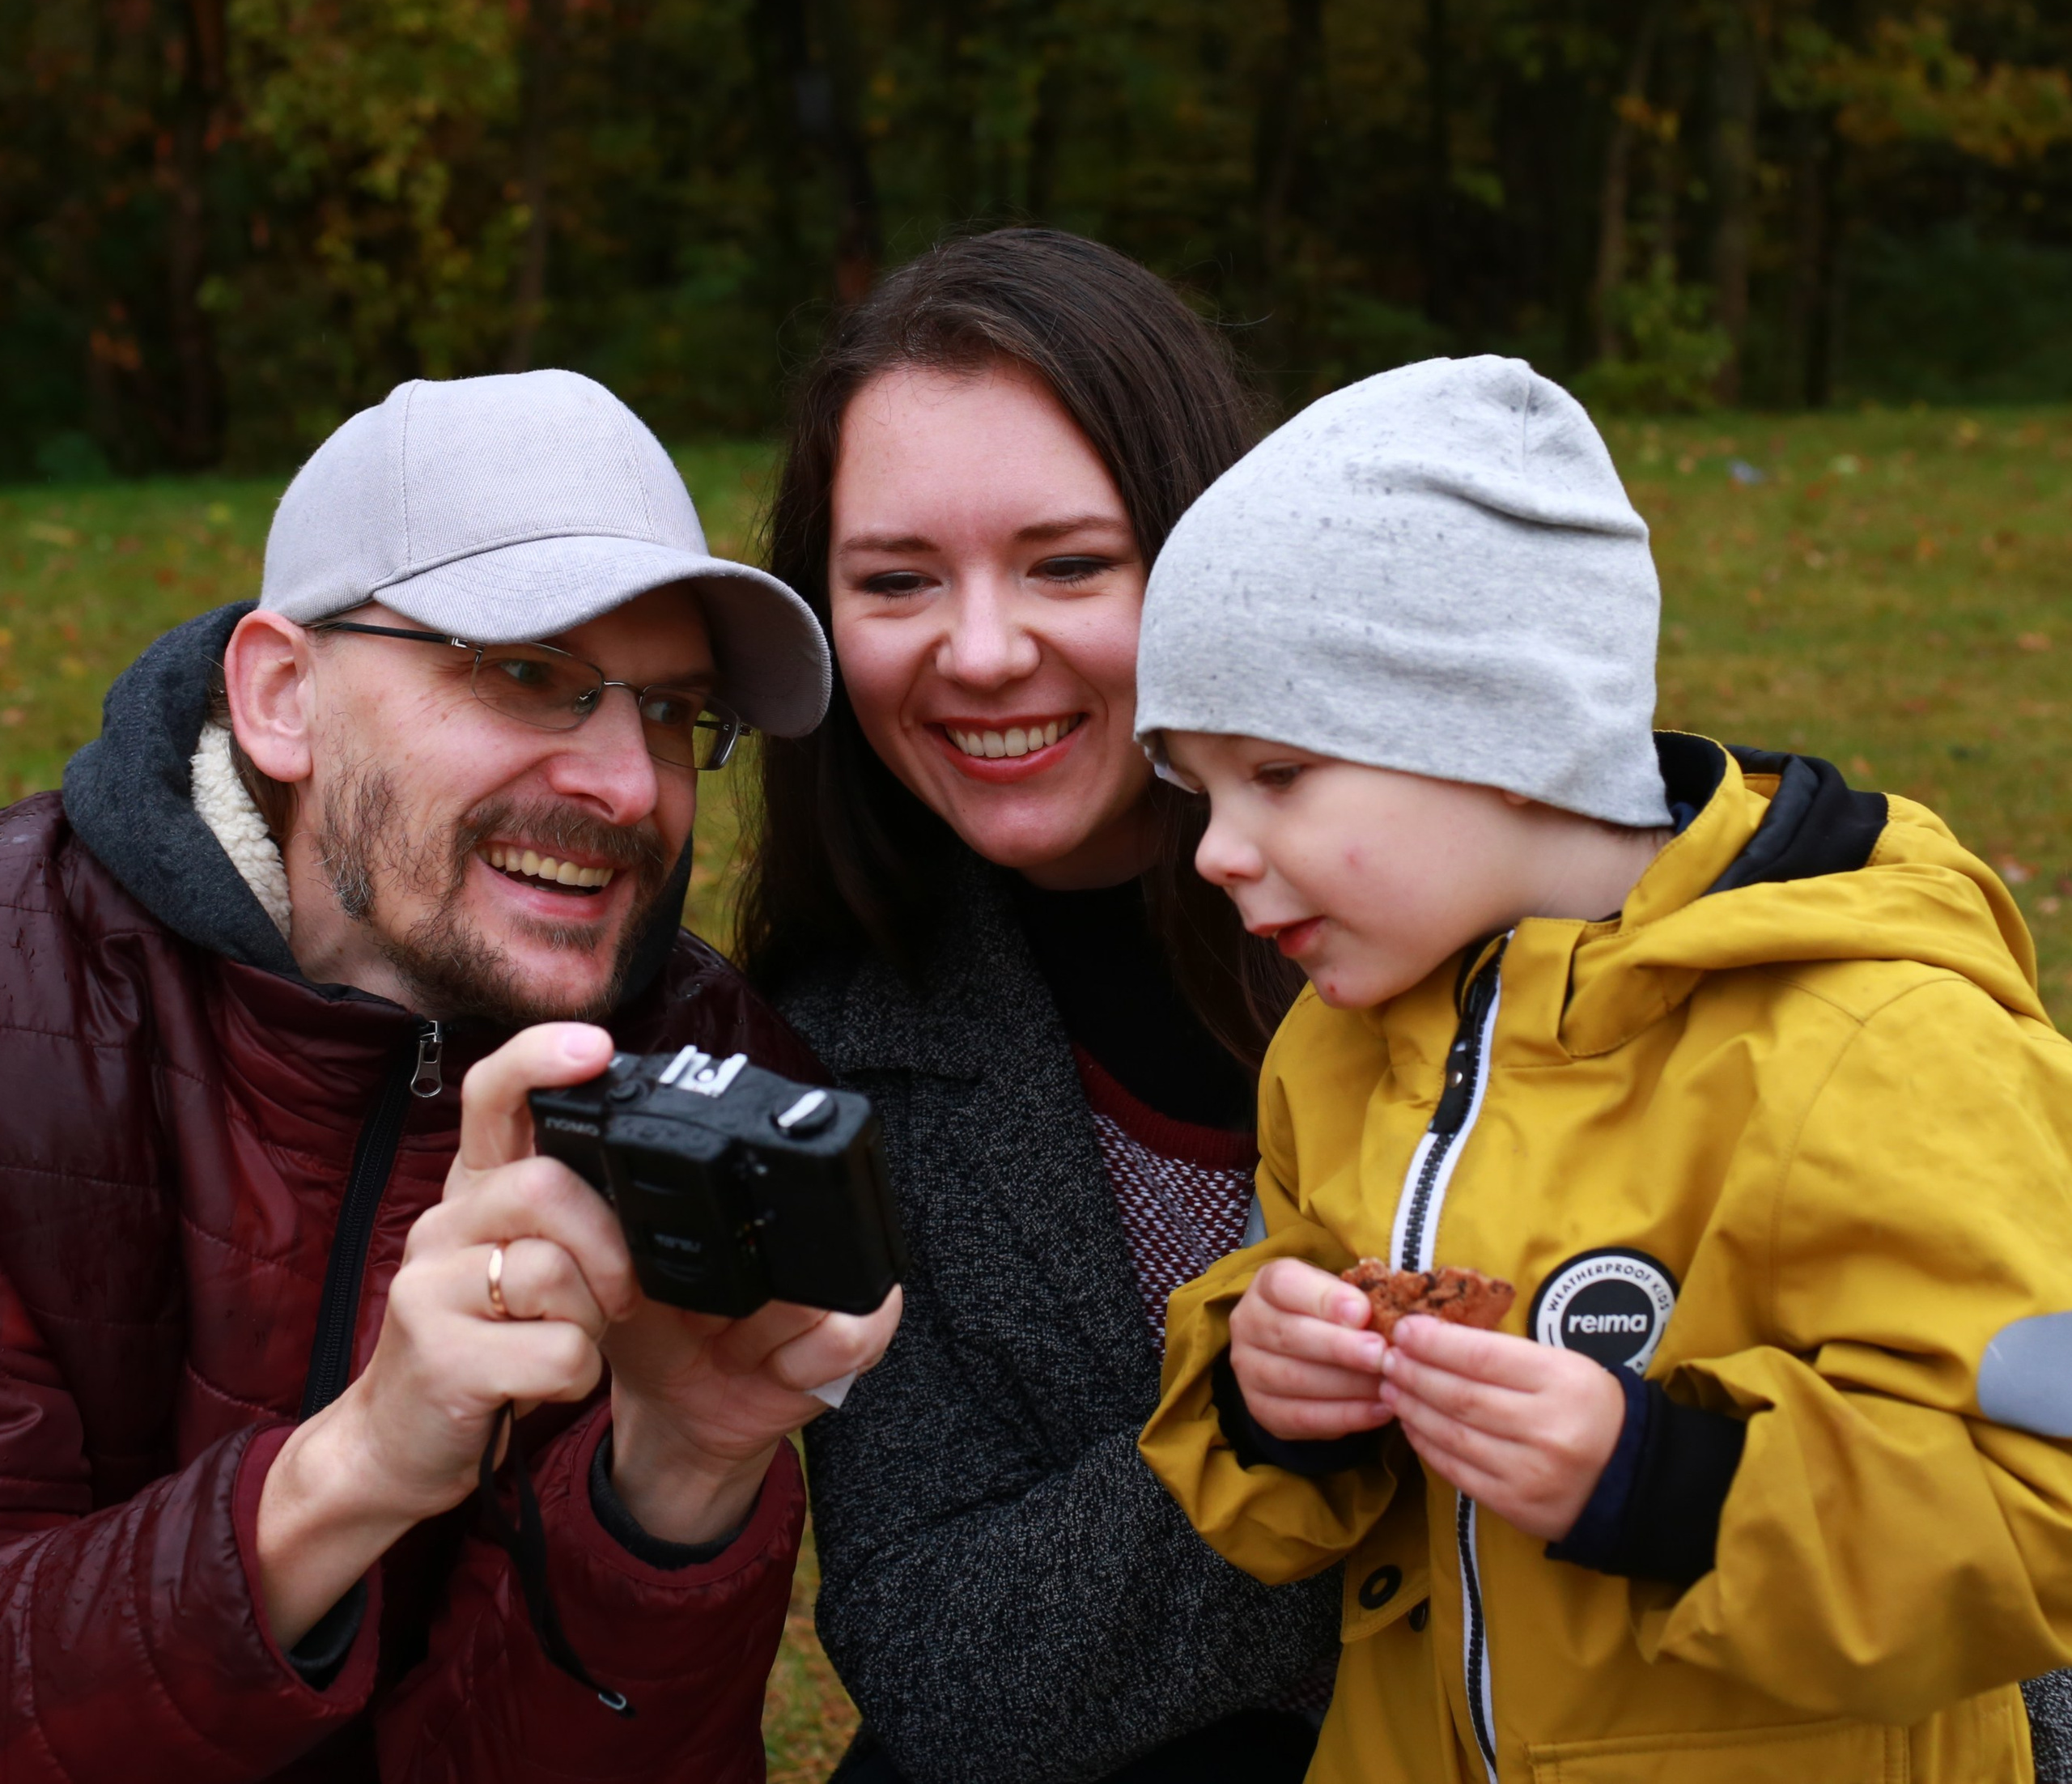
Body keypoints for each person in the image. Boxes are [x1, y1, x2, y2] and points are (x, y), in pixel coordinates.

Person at [1132, 354, 2072, 1782]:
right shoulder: (1339, 1044)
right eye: (1197, 790)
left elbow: (2038, 1502)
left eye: (1276, 775)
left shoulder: (1876, 1039)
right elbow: (1280, 1403)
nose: (1215, 852)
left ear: (1508, 737)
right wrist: (1271, 1392)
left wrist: (1668, 1487)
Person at [0, 369, 900, 1781]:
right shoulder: (25, 1010)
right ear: (284, 697)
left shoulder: (703, 1093)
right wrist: (347, 1476)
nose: (625, 783)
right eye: (529, 673)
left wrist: (676, 1481)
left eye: (673, 713)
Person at [736, 228, 1340, 1783]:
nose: (984, 653)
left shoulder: (1528, 904)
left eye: (1070, 563)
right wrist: (1265, 1448)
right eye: (895, 581)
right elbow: (939, 1660)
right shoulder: (839, 1037)